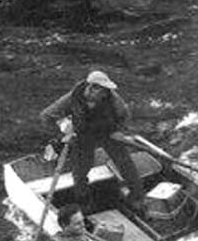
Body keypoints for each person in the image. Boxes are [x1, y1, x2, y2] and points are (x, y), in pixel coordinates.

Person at [40, 70, 146, 212]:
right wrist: (62, 124)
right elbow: (46, 116)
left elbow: (125, 115)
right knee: (80, 171)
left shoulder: (112, 98)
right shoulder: (72, 98)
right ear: (91, 88)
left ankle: (137, 198)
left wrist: (120, 131)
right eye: (102, 90)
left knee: (124, 162)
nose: (105, 94)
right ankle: (84, 204)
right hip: (83, 135)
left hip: (108, 132)